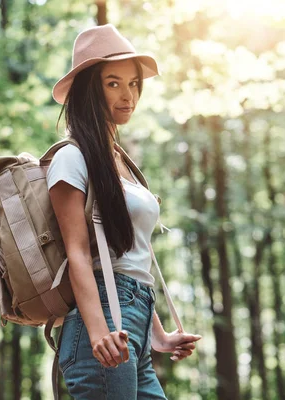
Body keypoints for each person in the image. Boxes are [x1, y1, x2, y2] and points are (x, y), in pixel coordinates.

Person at [47, 24, 201, 399]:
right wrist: (99, 331)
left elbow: (130, 260)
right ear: (87, 89)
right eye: (113, 83)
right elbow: (79, 254)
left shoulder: (122, 164)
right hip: (99, 326)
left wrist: (158, 335)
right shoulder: (71, 158)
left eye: (133, 84)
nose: (128, 95)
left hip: (133, 322)